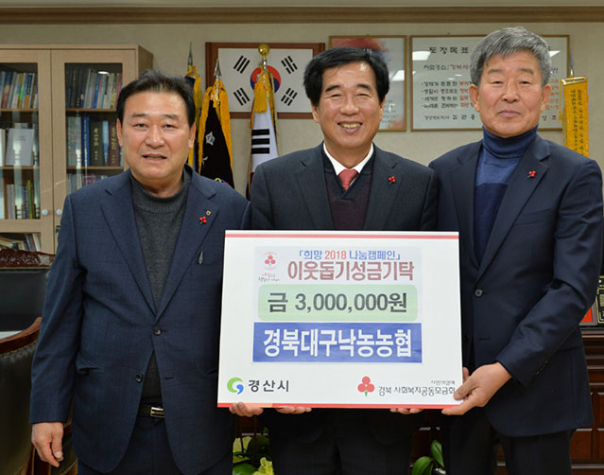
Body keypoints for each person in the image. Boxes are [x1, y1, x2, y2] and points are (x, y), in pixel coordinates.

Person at [230, 46, 438, 475]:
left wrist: (427, 375)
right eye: (335, 94)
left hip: (386, 412)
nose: (349, 108)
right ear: (314, 108)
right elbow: (251, 288)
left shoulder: (418, 183)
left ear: (382, 104)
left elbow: (434, 291)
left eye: (362, 94)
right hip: (297, 411)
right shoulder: (273, 180)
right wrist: (247, 375)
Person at [30, 70, 249, 475]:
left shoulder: (230, 208)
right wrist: (47, 411)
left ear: (191, 133)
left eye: (169, 125)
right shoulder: (85, 208)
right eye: (140, 124)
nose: (154, 139)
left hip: (200, 428)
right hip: (107, 426)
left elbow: (247, 313)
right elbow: (60, 321)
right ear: (119, 132)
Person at [429, 27, 603, 475]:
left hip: (539, 385)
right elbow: (431, 277)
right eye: (496, 80)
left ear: (545, 97)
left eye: (524, 81)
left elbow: (573, 288)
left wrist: (504, 367)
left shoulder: (575, 174)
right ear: (474, 94)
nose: (509, 94)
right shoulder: (442, 172)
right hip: (459, 382)